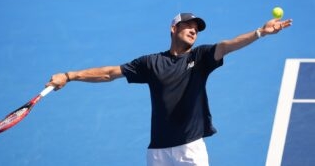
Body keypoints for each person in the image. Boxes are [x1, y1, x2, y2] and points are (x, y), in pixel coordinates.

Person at [46, 13, 292, 166]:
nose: (194, 29)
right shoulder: (151, 63)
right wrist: (69, 76)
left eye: (197, 27)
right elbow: (110, 73)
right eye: (188, 25)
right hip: (158, 152)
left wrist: (260, 32)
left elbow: (228, 46)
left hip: (190, 149)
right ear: (173, 29)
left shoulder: (202, 56)